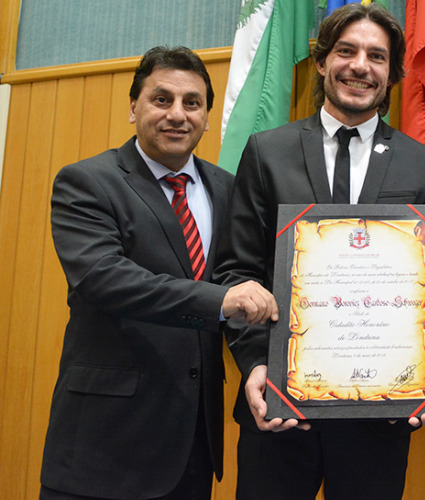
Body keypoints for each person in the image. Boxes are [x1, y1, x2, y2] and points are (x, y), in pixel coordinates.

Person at [212, 4, 425, 499]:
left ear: (392, 73)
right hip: (277, 408)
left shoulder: (421, 163)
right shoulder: (266, 151)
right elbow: (237, 269)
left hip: (379, 416)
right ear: (321, 62)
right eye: (346, 51)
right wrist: (258, 365)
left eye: (377, 56)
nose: (360, 65)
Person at [41, 46, 279, 500]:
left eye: (192, 103)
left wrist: (258, 361)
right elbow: (103, 278)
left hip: (192, 446)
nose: (177, 114)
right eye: (161, 99)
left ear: (208, 117)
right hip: (105, 445)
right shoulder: (87, 182)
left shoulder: (227, 189)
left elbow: (241, 279)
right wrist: (218, 301)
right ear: (134, 107)